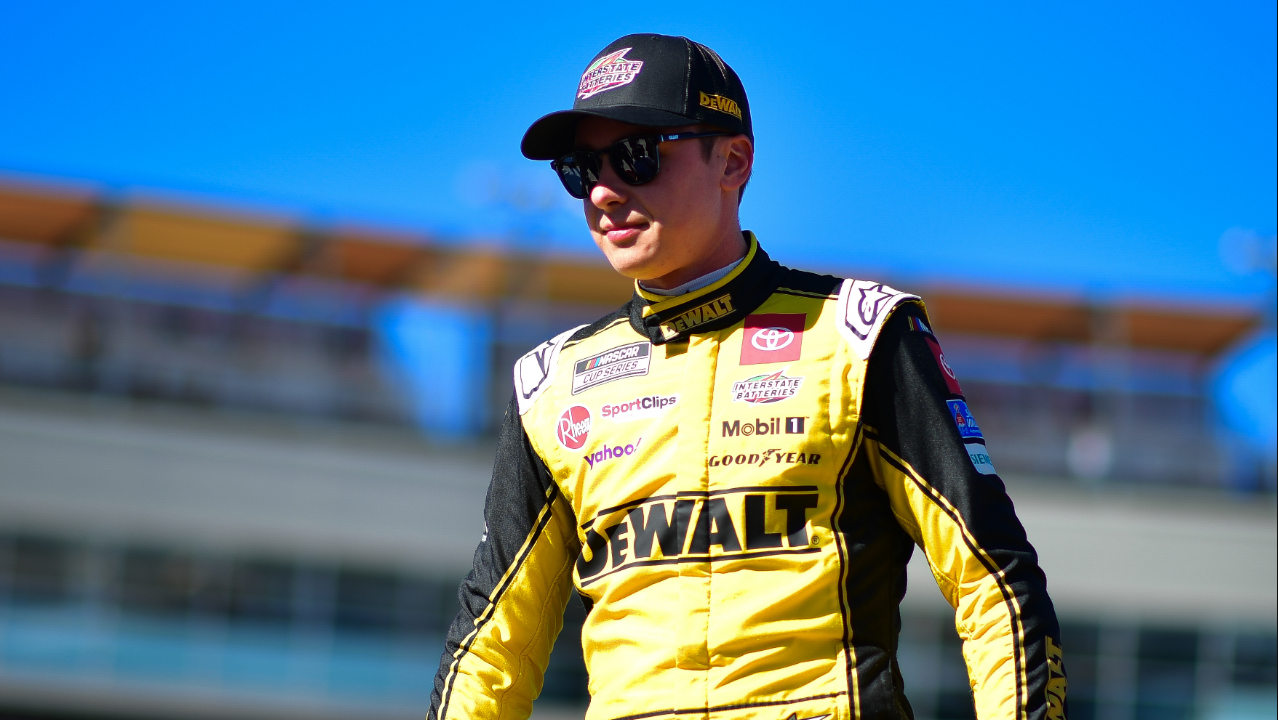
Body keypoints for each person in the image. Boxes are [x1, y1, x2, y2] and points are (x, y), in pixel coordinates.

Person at [429, 33, 1067, 720]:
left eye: (637, 156)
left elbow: (995, 583)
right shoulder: (552, 384)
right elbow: (494, 644)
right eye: (580, 169)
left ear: (733, 161)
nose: (605, 192)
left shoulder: (861, 335)